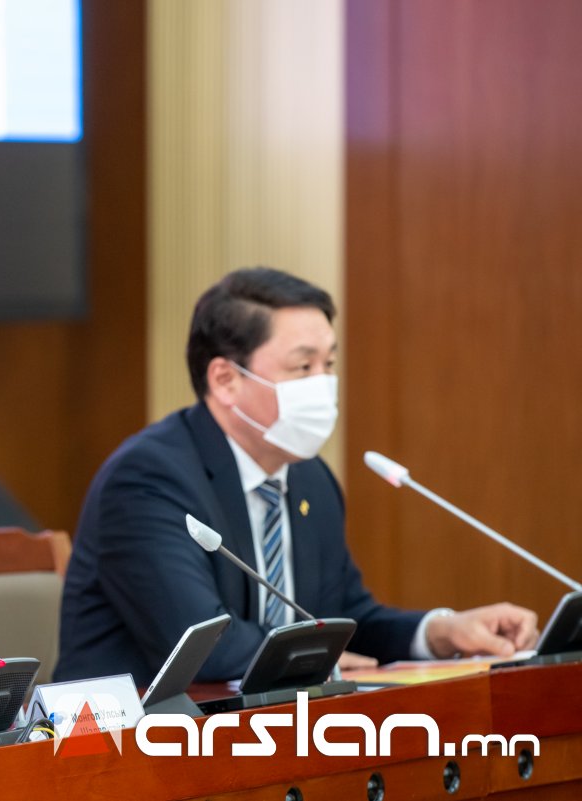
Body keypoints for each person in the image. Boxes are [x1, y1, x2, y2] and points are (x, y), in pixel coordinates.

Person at [54, 267, 539, 686]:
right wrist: (321, 658)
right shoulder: (148, 480)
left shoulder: (309, 479)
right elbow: (202, 643)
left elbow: (344, 619)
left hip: (270, 731)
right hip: (127, 743)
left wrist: (441, 632)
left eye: (329, 364)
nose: (323, 385)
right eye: (303, 366)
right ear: (226, 380)